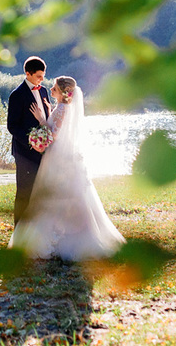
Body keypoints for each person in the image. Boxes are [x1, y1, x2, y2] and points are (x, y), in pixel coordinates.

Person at [9, 75, 125, 261]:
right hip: (61, 156)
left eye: (54, 87)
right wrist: (49, 111)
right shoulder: (62, 107)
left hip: (57, 159)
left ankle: (60, 238)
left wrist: (41, 119)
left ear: (63, 92)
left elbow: (54, 134)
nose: (51, 89)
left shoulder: (63, 109)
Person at [7, 56, 51, 224]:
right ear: (28, 73)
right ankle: (19, 229)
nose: (42, 79)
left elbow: (47, 119)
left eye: (43, 76)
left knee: (42, 192)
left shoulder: (44, 91)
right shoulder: (17, 95)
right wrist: (32, 142)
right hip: (25, 153)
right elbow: (12, 126)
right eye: (39, 76)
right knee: (24, 193)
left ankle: (36, 228)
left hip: (45, 152)